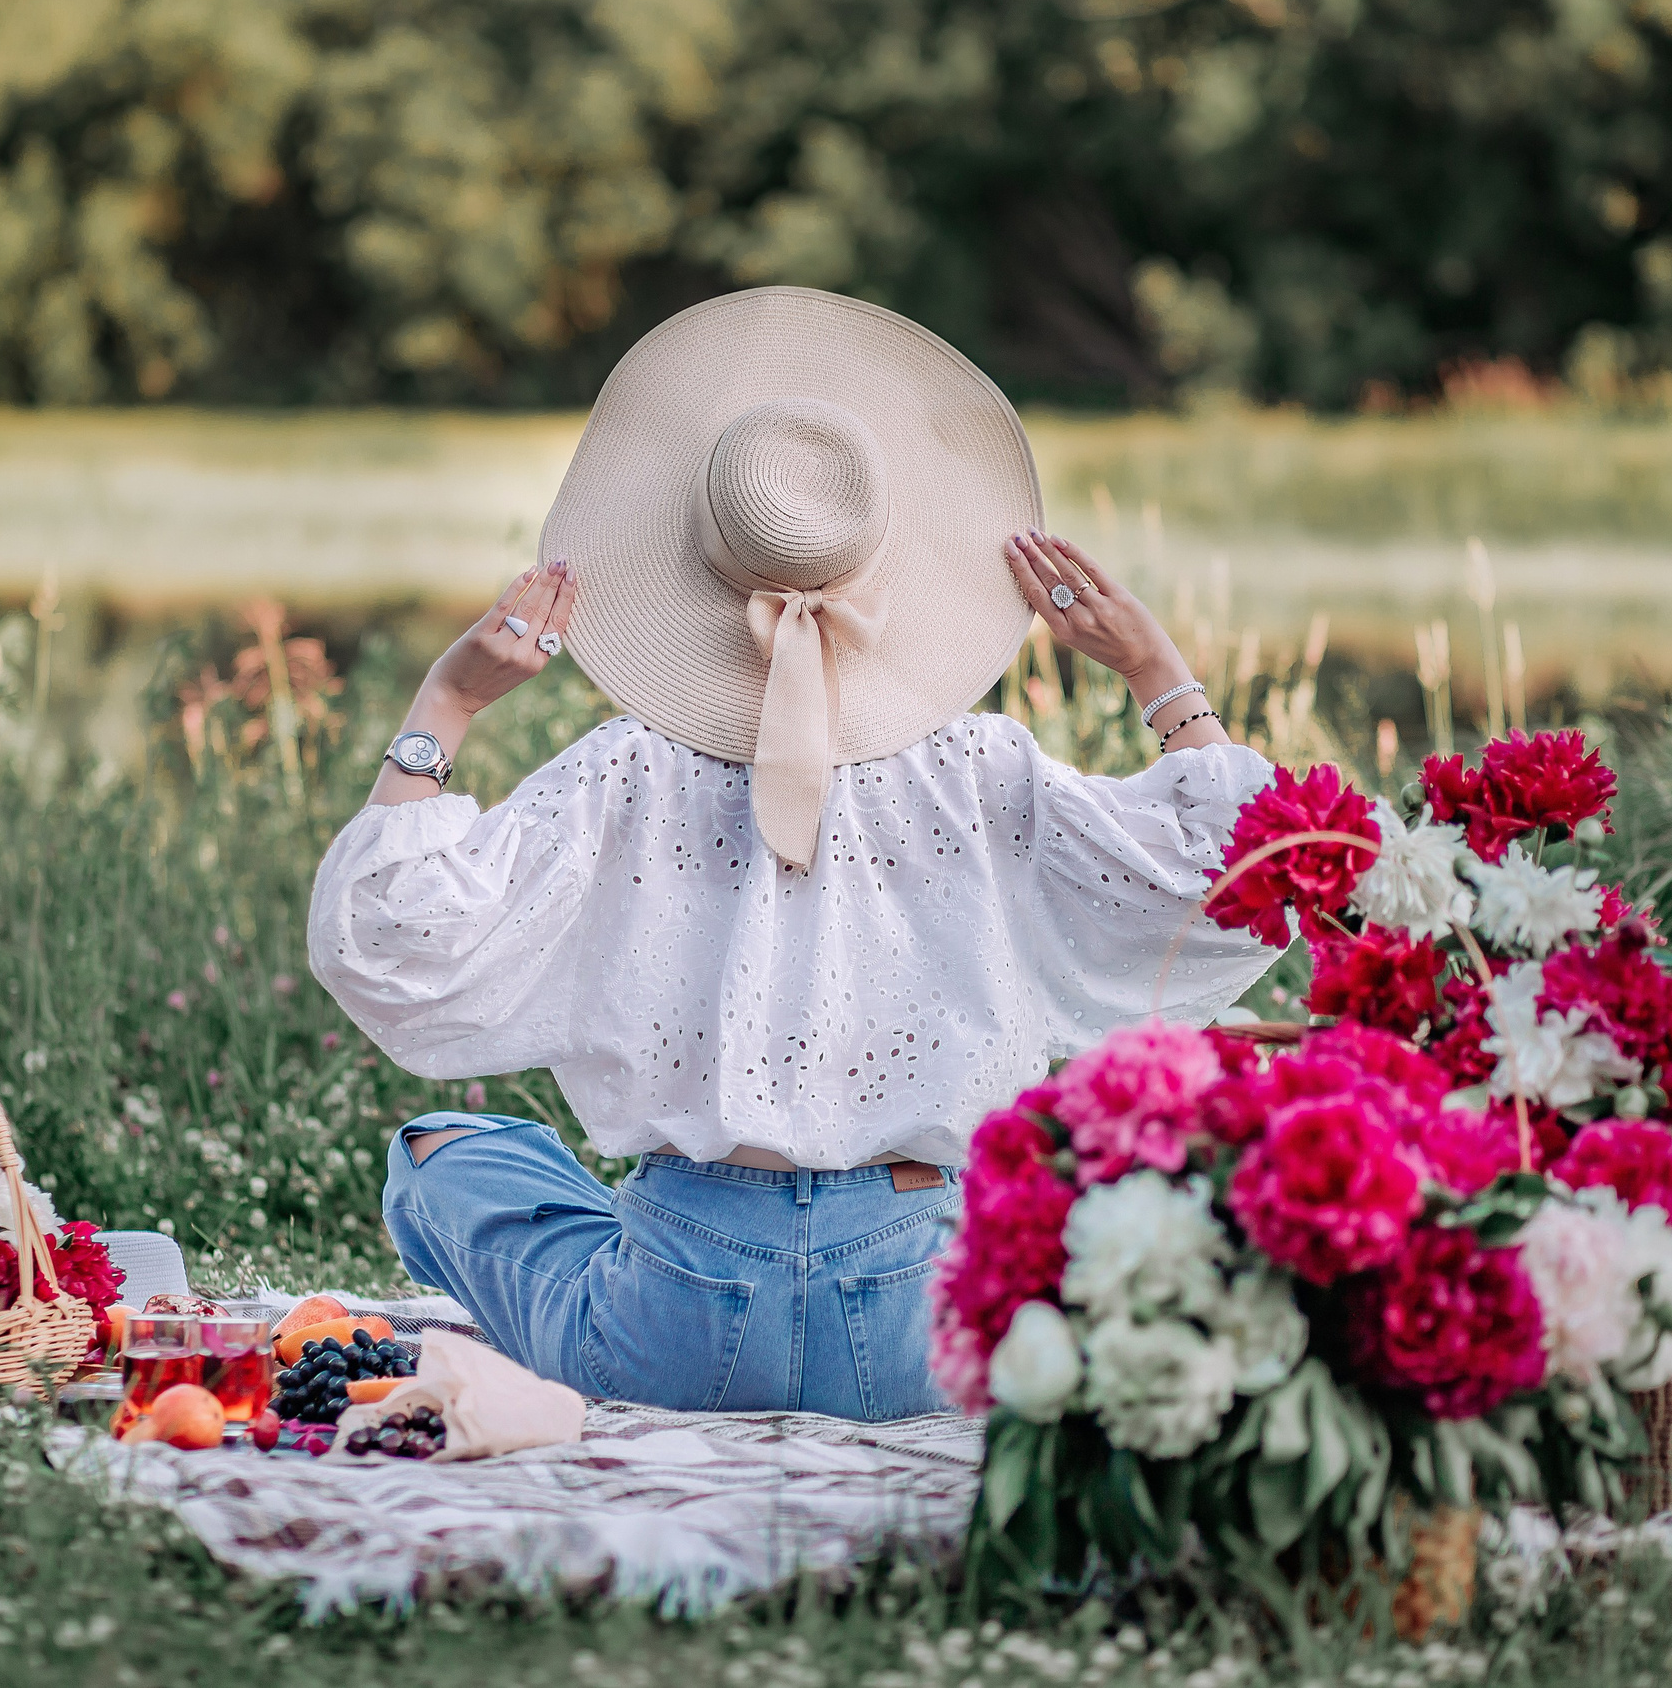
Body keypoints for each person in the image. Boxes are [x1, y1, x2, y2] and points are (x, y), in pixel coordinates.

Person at [308, 287, 1280, 1421]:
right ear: (892, 560)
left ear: (688, 558)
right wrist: (1162, 677)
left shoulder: (625, 770)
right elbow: (1249, 874)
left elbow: (384, 938)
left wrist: (448, 704)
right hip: (930, 1335)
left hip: (671, 1327)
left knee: (441, 1152)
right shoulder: (982, 771)